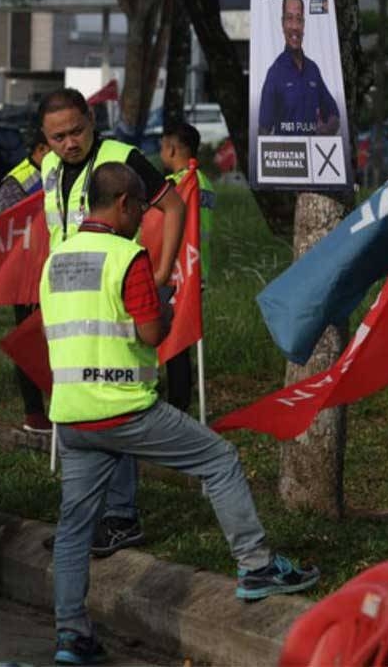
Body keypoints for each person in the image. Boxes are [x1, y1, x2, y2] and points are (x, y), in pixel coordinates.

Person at [40, 161, 319, 665]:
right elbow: (151, 333)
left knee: (74, 529)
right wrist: (165, 302)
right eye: (141, 209)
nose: (143, 219)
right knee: (220, 460)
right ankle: (256, 566)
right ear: (123, 203)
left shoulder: (56, 258)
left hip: (72, 417)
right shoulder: (128, 259)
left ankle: (69, 636)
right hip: (125, 409)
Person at [39, 88, 186, 557]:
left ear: (91, 120)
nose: (69, 143)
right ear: (45, 139)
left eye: (77, 131)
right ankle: (85, 521)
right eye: (58, 136)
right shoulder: (48, 168)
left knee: (118, 396)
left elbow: (175, 205)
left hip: (117, 295)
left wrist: (160, 273)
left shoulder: (120, 158)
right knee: (81, 401)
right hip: (72, 306)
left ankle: (122, 517)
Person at [156, 122, 216, 413]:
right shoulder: (205, 181)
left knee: (173, 342)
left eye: (161, 147)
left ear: (172, 148)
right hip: (197, 269)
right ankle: (181, 402)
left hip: (177, 272)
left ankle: (177, 405)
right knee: (185, 340)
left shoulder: (179, 184)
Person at [0, 126, 53, 433]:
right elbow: (12, 233)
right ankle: (34, 412)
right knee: (29, 341)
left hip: (58, 272)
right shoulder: (15, 183)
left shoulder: (61, 171)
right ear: (41, 149)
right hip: (27, 278)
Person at [258, 0, 341, 136]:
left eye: (299, 19)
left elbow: (334, 114)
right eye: (289, 18)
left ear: (303, 24)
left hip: (315, 155)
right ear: (282, 23)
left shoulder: (313, 69)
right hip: (287, 156)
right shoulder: (274, 73)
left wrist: (327, 130)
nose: (295, 26)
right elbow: (263, 129)